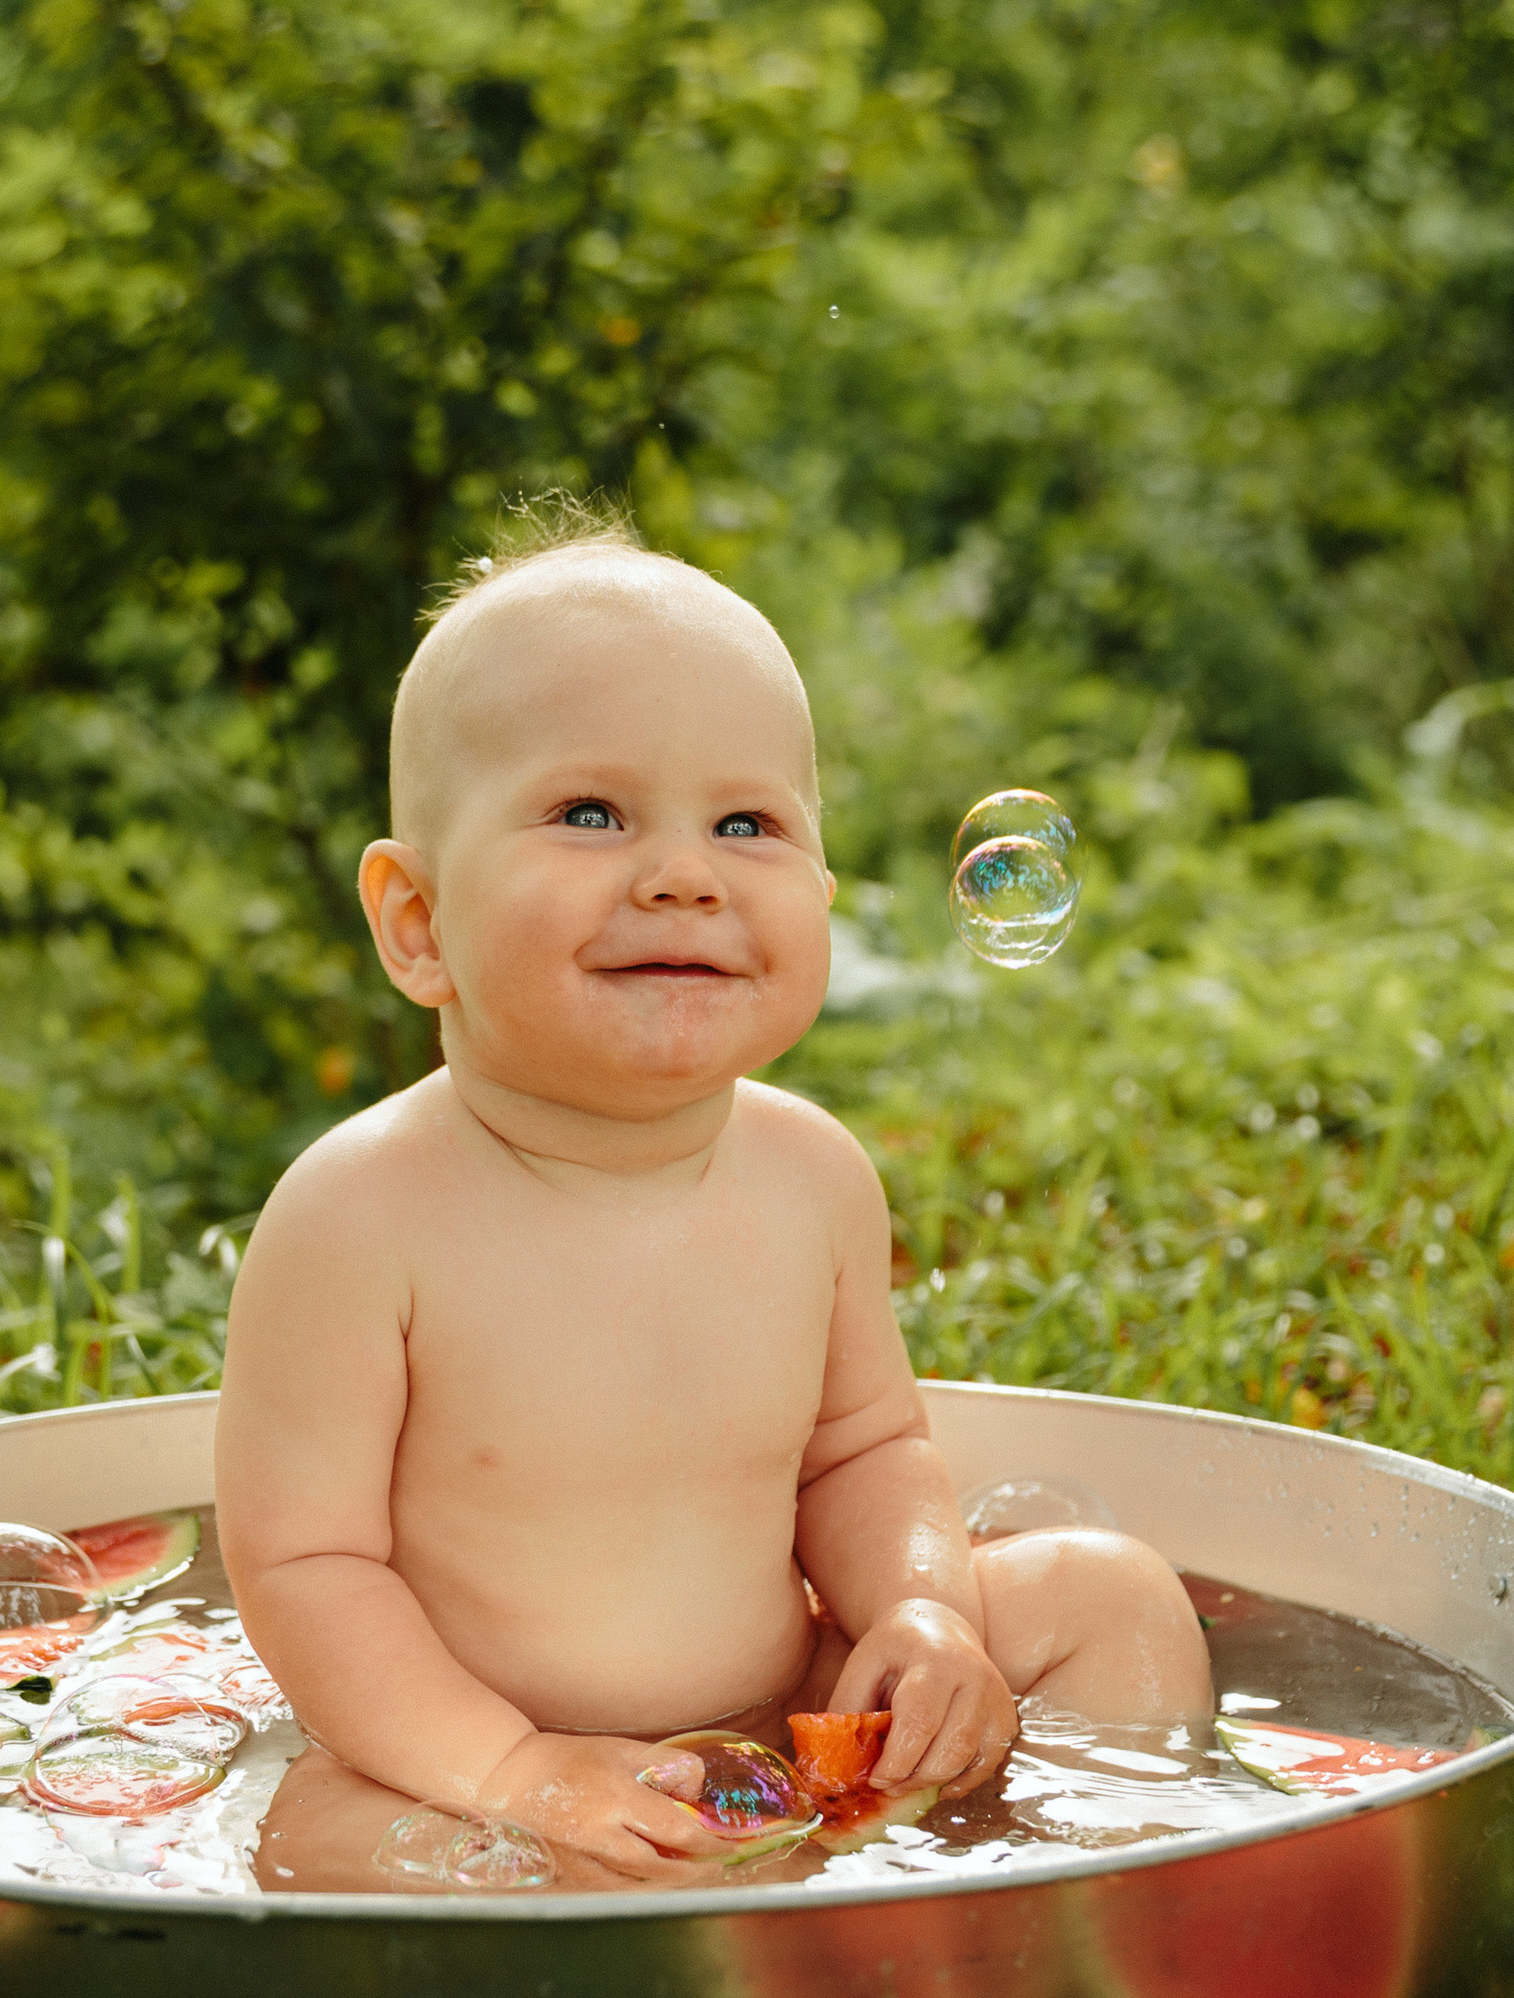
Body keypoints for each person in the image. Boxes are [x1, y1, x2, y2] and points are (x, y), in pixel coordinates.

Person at [214, 506, 1212, 1882]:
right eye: (588, 813)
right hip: (477, 1751)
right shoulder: (359, 1216)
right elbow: (307, 1573)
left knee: (1109, 1596)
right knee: (341, 1844)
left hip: (792, 1724)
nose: (682, 876)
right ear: (418, 924)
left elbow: (862, 1455)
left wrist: (920, 1615)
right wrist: (517, 1774)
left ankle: (1096, 1911)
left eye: (746, 822)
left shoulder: (811, 1175)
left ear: (819, 885)